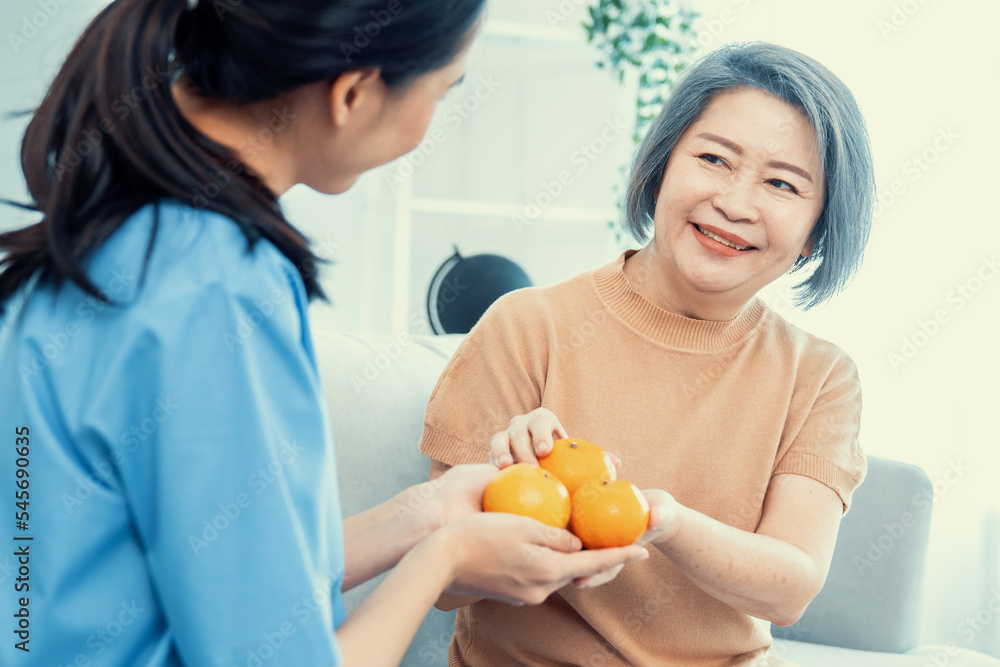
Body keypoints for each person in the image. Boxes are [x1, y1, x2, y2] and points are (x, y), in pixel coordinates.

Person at [0, 1, 651, 665]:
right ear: (354, 92)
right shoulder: (217, 287)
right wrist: (445, 557)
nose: (429, 126)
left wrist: (426, 512)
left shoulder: (118, 229)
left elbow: (222, 572)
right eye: (443, 91)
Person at [421, 42, 876, 666]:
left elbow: (792, 587)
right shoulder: (528, 325)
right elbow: (440, 582)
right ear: (660, 168)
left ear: (814, 234)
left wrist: (661, 519)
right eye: (714, 159)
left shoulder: (821, 377)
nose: (736, 204)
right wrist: (515, 490)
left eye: (781, 184)